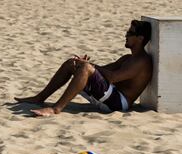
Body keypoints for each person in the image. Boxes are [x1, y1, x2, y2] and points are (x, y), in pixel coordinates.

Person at [15, 20, 152, 116]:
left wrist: (88, 67)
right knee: (72, 63)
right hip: (111, 95)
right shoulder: (127, 58)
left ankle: (56, 109)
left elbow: (112, 77)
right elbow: (103, 70)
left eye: (130, 33)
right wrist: (83, 65)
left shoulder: (141, 61)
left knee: (85, 68)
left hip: (119, 103)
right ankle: (40, 97)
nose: (126, 35)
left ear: (140, 38)